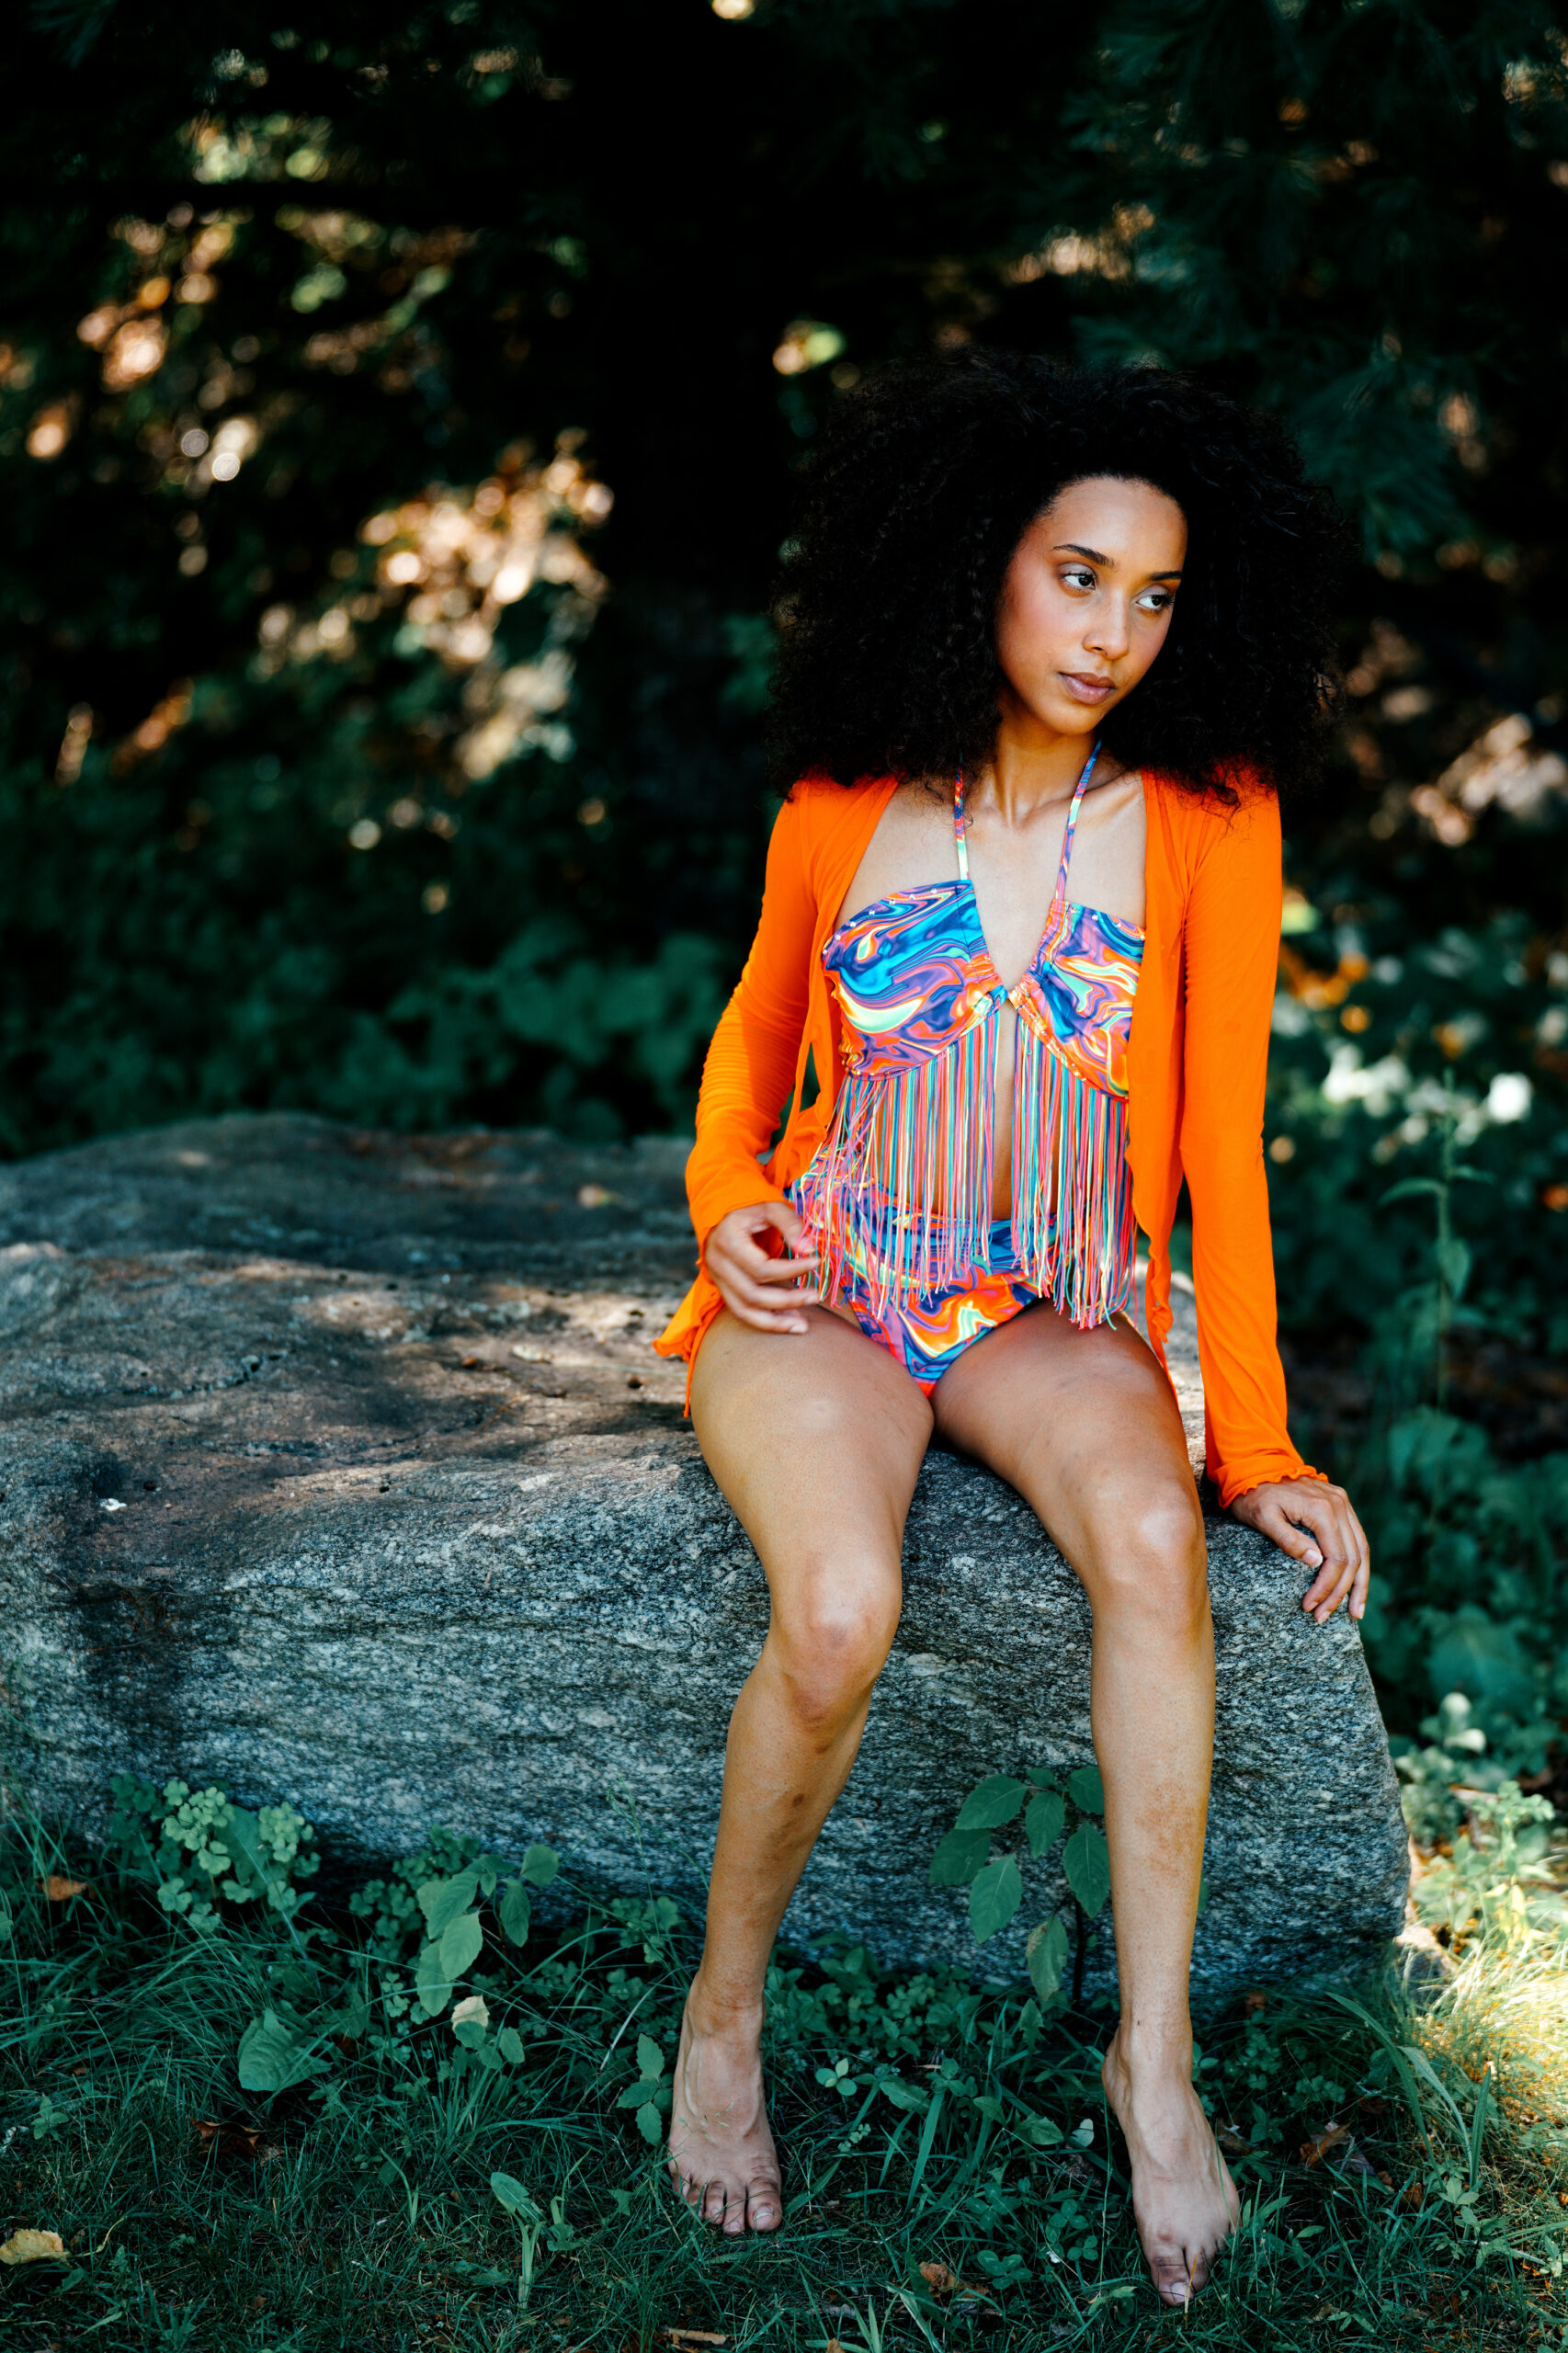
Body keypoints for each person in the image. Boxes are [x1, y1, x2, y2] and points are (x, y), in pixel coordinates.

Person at [652, 350, 1370, 2304]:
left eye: (1154, 595)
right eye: (1076, 575)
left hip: (1046, 1303)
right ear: (979, 557)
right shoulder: (842, 796)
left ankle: (1157, 2059)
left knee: (1152, 1540)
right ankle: (724, 2014)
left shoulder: (1209, 818)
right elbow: (744, 1061)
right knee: (837, 1609)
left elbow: (1223, 1147)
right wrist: (727, 1208)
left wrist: (1256, 1445)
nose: (1112, 633)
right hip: (831, 1280)